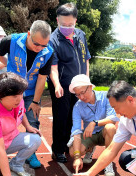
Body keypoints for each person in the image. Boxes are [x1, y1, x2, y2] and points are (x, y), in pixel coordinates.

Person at [0, 20, 54, 169]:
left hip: (31, 92)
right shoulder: (12, 41)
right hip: (10, 90)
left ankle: (30, 154)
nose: (39, 48)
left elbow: (41, 78)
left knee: (33, 122)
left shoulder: (48, 52)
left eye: (43, 45)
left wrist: (35, 101)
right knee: (1, 120)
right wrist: (7, 64)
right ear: (28, 34)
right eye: (36, 44)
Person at [48, 2, 91, 163]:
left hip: (79, 85)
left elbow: (86, 59)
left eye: (70, 24)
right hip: (62, 85)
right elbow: (53, 66)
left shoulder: (80, 35)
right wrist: (57, 84)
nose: (67, 27)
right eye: (63, 24)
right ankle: (58, 149)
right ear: (57, 20)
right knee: (61, 117)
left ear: (76, 21)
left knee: (74, 116)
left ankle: (67, 145)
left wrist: (86, 80)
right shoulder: (53, 40)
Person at [68, 74, 119, 176]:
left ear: (90, 87)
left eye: (82, 92)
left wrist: (94, 123)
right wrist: (77, 157)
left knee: (111, 127)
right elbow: (76, 131)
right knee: (73, 152)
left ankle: (107, 162)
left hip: (104, 133)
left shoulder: (106, 97)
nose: (81, 97)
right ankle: (90, 148)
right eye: (77, 94)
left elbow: (113, 118)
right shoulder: (77, 107)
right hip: (89, 135)